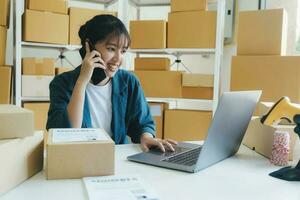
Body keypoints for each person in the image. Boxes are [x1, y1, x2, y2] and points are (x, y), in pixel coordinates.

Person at [46, 14, 177, 152]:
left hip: (118, 159)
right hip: (80, 158)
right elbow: (65, 134)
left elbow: (142, 122)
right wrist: (82, 81)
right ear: (89, 46)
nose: (118, 59)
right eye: (111, 49)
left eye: (123, 51)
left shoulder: (129, 81)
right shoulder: (62, 83)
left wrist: (146, 136)